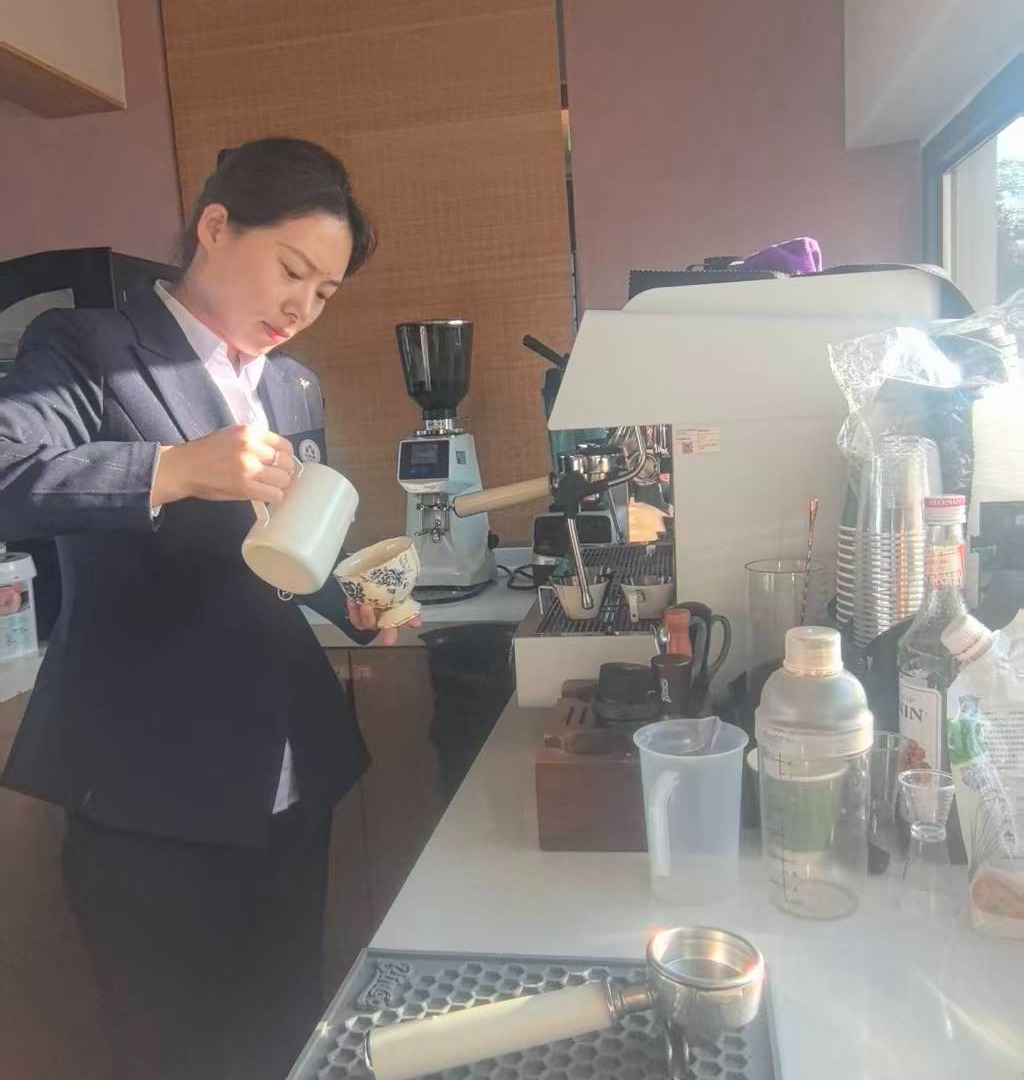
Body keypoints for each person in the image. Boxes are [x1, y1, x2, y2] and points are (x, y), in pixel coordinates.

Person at [0, 138, 409, 1080]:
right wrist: (172, 469)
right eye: (292, 270)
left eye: (324, 292)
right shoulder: (89, 347)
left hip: (289, 771)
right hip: (151, 783)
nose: (302, 308)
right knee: (175, 1050)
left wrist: (355, 598)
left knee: (285, 1029)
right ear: (216, 227)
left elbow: (281, 547)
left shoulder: (292, 385)